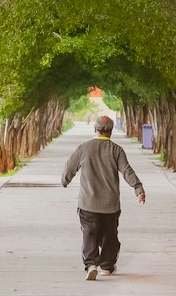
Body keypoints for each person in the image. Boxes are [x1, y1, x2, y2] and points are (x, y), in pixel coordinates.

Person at [61, 114, 145, 281]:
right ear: (111, 132)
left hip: (87, 203)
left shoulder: (83, 148)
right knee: (109, 234)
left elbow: (69, 167)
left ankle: (91, 264)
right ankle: (106, 267)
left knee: (89, 233)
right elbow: (127, 171)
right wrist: (138, 188)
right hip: (110, 205)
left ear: (95, 129)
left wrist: (65, 180)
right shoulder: (116, 150)